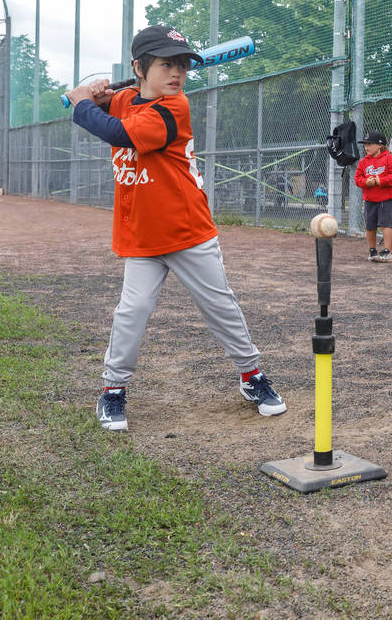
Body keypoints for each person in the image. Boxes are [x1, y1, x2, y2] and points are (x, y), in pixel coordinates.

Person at [65, 25, 286, 432]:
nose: (177, 73)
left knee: (220, 306)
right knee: (131, 312)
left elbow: (115, 132)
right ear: (139, 68)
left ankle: (251, 376)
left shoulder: (173, 108)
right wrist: (92, 93)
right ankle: (113, 389)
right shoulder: (125, 98)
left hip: (187, 232)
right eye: (166, 64)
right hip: (142, 235)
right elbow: (105, 107)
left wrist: (82, 103)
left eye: (182, 65)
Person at [354, 130, 392, 262]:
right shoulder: (364, 162)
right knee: (370, 226)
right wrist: (366, 182)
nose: (366, 147)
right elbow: (357, 179)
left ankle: (388, 252)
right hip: (370, 199)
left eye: (370, 144)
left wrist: (380, 181)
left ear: (379, 145)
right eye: (365, 144)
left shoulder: (388, 158)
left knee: (385, 224)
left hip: (386, 198)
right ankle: (372, 251)